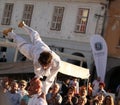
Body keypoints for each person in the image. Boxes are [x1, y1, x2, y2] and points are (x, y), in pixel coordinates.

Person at [3, 21, 61, 95]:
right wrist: (37, 77)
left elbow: (50, 78)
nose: (43, 67)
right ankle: (13, 32)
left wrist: (44, 92)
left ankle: (22, 26)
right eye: (42, 65)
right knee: (22, 45)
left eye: (44, 65)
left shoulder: (57, 63)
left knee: (35, 36)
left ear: (50, 62)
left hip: (41, 46)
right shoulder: (37, 60)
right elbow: (38, 71)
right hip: (32, 52)